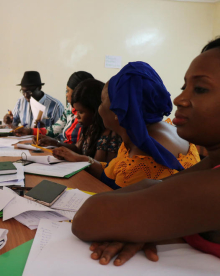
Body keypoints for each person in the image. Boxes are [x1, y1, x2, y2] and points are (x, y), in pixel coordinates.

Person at [71, 38, 220, 266]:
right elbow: (165, 189)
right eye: (184, 87)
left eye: (200, 89)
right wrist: (149, 225)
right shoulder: (211, 164)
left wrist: (144, 219)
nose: (179, 99)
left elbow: (87, 218)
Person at [67, 62, 200, 190]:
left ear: (118, 112)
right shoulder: (147, 134)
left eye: (102, 102)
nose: (99, 109)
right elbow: (114, 172)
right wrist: (83, 160)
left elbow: (121, 198)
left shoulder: (141, 157)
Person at [44, 79, 122, 163]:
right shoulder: (90, 127)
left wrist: (74, 157)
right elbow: (77, 148)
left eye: (81, 112)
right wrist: (56, 143)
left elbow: (99, 168)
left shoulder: (109, 134)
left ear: (95, 110)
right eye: (76, 111)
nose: (77, 116)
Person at [15, 71, 93, 144]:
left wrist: (57, 144)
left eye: (68, 91)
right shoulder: (69, 108)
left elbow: (77, 148)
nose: (66, 95)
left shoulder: (88, 116)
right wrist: (30, 131)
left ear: (79, 93)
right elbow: (56, 129)